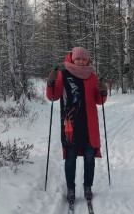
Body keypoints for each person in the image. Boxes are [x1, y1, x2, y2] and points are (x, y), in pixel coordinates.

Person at [46, 46, 107, 203]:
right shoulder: (63, 75)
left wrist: (103, 91)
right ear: (72, 59)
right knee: (71, 158)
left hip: (89, 125)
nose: (80, 61)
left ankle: (88, 187)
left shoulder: (92, 77)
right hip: (70, 124)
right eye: (78, 58)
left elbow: (99, 101)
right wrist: (51, 83)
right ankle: (71, 189)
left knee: (89, 158)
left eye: (83, 58)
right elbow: (53, 96)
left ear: (88, 60)